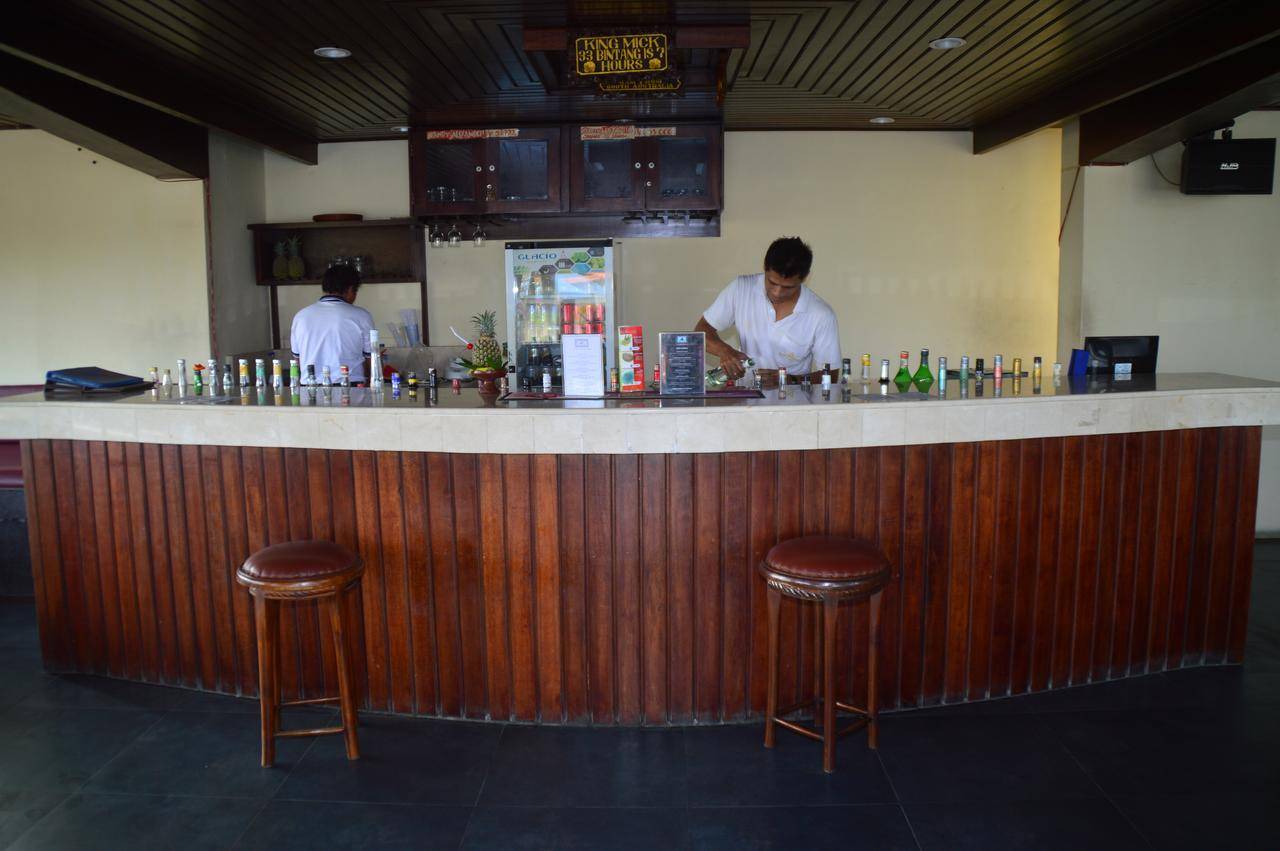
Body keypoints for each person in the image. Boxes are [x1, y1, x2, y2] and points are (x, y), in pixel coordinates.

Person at [695, 236, 840, 385]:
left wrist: (787, 380)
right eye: (772, 282)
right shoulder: (741, 289)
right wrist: (724, 351)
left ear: (804, 278)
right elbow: (701, 331)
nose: (777, 292)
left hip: (793, 398)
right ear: (765, 267)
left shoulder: (821, 315)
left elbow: (831, 375)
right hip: (745, 395)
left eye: (788, 287)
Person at [290, 265, 375, 383]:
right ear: (351, 289)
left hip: (310, 388)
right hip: (352, 387)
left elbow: (297, 361)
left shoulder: (301, 317)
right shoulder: (361, 316)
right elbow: (372, 360)